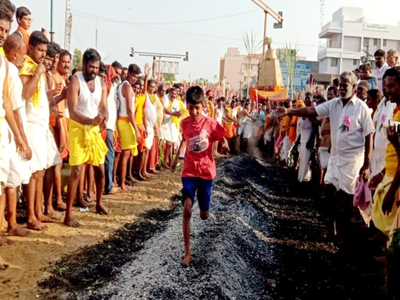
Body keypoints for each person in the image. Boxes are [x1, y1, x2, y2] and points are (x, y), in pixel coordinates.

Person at [277, 71, 374, 242]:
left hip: (352, 160)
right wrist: (290, 110)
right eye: (340, 85)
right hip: (335, 158)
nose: (342, 88)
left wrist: (366, 164)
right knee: (329, 194)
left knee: (345, 200)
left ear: (353, 87)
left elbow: (369, 135)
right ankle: (331, 230)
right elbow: (311, 111)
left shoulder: (362, 108)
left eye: (345, 85)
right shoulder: (333, 104)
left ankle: (343, 234)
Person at [170, 86, 229, 266]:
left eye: (197, 108)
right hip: (189, 172)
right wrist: (175, 158)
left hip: (206, 174)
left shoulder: (210, 123)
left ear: (203, 106)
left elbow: (222, 136)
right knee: (187, 208)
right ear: (187, 106)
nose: (194, 112)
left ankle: (204, 209)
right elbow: (184, 140)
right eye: (190, 107)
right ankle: (187, 253)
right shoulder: (185, 123)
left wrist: (225, 144)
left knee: (203, 214)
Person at [19, 31, 62, 230]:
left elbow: (39, 97)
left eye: (45, 50)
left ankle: (38, 211)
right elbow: (26, 93)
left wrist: (53, 96)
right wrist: (38, 72)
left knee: (41, 171)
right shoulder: (29, 67)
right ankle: (31, 216)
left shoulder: (40, 69)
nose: (43, 54)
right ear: (31, 48)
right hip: (31, 125)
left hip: (41, 124)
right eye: (40, 49)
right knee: (34, 172)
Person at [64, 48, 109, 227]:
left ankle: (98, 203)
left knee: (100, 169)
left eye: (97, 67)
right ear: (84, 65)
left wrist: (103, 118)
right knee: (76, 171)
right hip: (78, 128)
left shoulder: (102, 84)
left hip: (94, 129)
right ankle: (68, 214)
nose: (94, 70)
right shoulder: (75, 81)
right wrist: (90, 120)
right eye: (91, 67)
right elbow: (73, 111)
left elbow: (104, 106)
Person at [0, 8, 28, 254]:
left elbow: (7, 105)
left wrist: (18, 136)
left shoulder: (4, 66)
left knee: (3, 184)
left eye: (5, 31)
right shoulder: (8, 67)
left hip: (4, 132)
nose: (2, 35)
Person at [3, 33, 32, 237]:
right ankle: (9, 224)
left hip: (10, 130)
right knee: (8, 181)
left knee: (9, 181)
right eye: (23, 54)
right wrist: (22, 138)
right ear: (14, 54)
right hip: (10, 132)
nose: (24, 59)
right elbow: (14, 108)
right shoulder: (11, 70)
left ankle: (9, 223)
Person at [371, 68, 400, 236]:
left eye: (391, 85)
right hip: (389, 173)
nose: (387, 90)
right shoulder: (395, 110)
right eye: (385, 86)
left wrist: (391, 191)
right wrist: (382, 174)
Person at [116, 63, 141, 191]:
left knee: (127, 154)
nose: (134, 79)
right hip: (125, 121)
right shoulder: (126, 87)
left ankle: (123, 181)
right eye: (133, 76)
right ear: (129, 73)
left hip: (125, 121)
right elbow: (130, 111)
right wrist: (136, 129)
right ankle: (122, 183)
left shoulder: (125, 86)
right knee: (125, 154)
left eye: (137, 77)